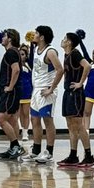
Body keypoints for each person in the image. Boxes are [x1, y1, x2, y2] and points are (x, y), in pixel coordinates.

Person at [58, 31, 94, 169]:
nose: (62, 40)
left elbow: (87, 66)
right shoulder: (67, 55)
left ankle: (89, 156)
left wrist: (80, 83)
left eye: (64, 38)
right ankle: (73, 156)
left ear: (69, 42)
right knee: (70, 125)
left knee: (79, 126)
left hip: (76, 94)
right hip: (68, 92)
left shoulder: (75, 53)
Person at [28, 25, 63, 164]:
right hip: (36, 90)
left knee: (47, 121)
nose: (34, 34)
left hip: (46, 90)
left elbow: (60, 70)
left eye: (36, 33)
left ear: (42, 37)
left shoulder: (50, 52)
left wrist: (51, 89)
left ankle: (49, 152)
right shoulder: (36, 49)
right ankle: (36, 151)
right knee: (34, 120)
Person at [0, 29, 23, 160]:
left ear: (10, 39)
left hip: (10, 91)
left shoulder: (11, 52)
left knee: (1, 119)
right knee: (12, 119)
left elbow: (16, 70)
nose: (2, 38)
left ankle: (16, 146)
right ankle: (14, 148)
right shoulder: (13, 52)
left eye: (5, 36)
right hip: (12, 91)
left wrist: (10, 87)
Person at [17, 44, 33, 142]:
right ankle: (21, 130)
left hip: (27, 92)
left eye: (23, 54)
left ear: (26, 56)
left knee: (26, 113)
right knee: (19, 114)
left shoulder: (29, 65)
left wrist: (32, 43)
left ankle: (25, 132)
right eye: (19, 54)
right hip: (18, 92)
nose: (21, 56)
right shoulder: (15, 65)